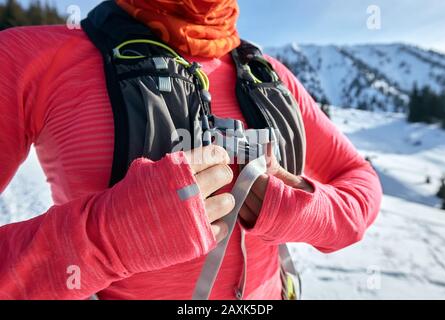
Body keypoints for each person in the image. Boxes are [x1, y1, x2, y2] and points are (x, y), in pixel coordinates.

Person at [0, 0, 382, 300]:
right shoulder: (27, 57)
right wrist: (108, 239)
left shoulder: (269, 75)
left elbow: (360, 182)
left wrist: (304, 210)